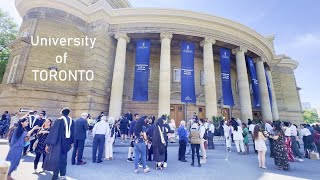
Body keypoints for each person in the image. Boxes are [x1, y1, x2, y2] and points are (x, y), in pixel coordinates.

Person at [43, 108, 75, 180]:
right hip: (66, 143)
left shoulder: (59, 120)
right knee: (63, 159)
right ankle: (63, 175)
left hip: (58, 143)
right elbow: (73, 132)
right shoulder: (72, 120)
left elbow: (54, 132)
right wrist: (71, 142)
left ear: (62, 113)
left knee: (56, 159)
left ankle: (55, 176)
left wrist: (48, 144)